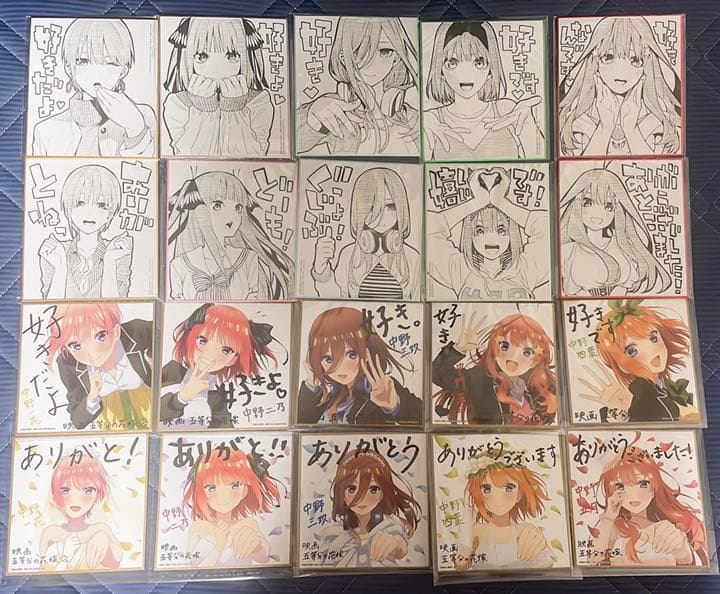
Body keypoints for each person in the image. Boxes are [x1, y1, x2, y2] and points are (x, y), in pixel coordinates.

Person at [559, 16, 681, 156]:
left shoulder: (660, 122)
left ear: (647, 62)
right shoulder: (577, 121)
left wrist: (631, 130)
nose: (621, 70)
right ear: (594, 59)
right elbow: (577, 168)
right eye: (608, 57)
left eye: (635, 60)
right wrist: (604, 129)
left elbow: (657, 166)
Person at [32, 19, 156, 157]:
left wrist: (136, 129)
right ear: (69, 68)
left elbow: (147, 168)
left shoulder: (144, 117)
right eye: (84, 62)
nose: (96, 73)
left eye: (109, 63)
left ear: (124, 70)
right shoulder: (46, 130)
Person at [297, 17, 419, 156]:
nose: (371, 63)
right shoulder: (338, 114)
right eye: (358, 51)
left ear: (396, 58)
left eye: (384, 52)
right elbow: (287, 142)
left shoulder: (413, 118)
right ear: (343, 57)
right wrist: (310, 117)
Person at [424, 21, 543, 160]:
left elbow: (541, 162)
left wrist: (529, 124)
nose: (466, 74)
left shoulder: (506, 110)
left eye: (478, 63)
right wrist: (421, 127)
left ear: (491, 69)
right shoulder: (432, 120)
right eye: (453, 63)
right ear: (440, 71)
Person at [427, 166, 549, 300]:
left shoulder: (525, 268)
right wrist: (476, 203)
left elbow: (547, 228)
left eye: (502, 230)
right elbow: (429, 228)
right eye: (479, 230)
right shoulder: (460, 268)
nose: (491, 238)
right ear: (470, 235)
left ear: (512, 234)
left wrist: (502, 203)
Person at [168, 170, 293, 300]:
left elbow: (254, 298)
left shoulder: (248, 258)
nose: (232, 215)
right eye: (217, 206)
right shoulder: (179, 264)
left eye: (238, 208)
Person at [163, 17, 274, 156]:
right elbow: (186, 155)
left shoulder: (258, 101)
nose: (217, 69)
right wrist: (204, 111)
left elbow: (255, 156)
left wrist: (233, 111)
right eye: (202, 57)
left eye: (232, 56)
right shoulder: (178, 102)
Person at [298, 306, 422, 425]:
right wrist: (312, 386)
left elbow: (422, 417)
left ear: (367, 352)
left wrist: (394, 406)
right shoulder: (333, 393)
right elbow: (301, 423)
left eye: (352, 355)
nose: (341, 367)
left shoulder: (381, 387)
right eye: (328, 359)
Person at [160, 303, 276, 428]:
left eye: (226, 350)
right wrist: (182, 397)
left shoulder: (217, 397)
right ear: (190, 338)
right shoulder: (171, 371)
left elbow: (224, 430)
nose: (210, 354)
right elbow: (149, 413)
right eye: (203, 341)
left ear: (233, 359)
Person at [580, 299, 697, 423]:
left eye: (653, 338)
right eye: (632, 351)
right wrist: (620, 414)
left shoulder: (666, 385)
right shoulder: (637, 392)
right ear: (620, 364)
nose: (651, 351)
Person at [311, 167, 421, 299]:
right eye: (372, 208)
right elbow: (337, 302)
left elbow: (418, 303)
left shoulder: (412, 257)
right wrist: (321, 269)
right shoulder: (349, 254)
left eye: (390, 207)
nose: (381, 217)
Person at [560, 168, 671, 296]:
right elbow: (569, 290)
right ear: (577, 203)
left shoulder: (623, 248)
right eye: (588, 202)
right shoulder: (568, 251)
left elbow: (627, 285)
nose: (597, 213)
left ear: (617, 209)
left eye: (608, 206)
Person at [433, 311, 557, 425]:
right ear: (494, 349)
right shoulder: (477, 379)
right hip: (486, 440)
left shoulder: (537, 387)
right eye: (505, 346)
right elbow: (436, 373)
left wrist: (549, 412)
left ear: (535, 362)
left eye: (527, 352)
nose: (513, 357)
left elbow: (539, 425)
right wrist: (459, 348)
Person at [590, 446, 707, 566]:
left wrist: (681, 549)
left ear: (654, 487)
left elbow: (691, 564)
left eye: (643, 484)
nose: (633, 495)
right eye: (620, 486)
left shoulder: (673, 525)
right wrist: (608, 517)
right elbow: (593, 559)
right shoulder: (614, 528)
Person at [47, 302, 152, 431]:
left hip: (151, 407)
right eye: (76, 345)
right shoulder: (67, 363)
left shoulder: (136, 331)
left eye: (101, 336)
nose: (92, 351)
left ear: (116, 331)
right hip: (110, 422)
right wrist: (92, 396)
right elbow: (77, 420)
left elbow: (164, 332)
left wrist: (153, 361)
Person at [39, 164, 132, 299]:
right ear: (68, 210)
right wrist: (60, 268)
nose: (90, 213)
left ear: (110, 214)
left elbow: (118, 309)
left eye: (101, 205)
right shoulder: (55, 251)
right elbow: (49, 309)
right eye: (80, 203)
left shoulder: (117, 252)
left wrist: (110, 263)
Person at [318, 448, 421, 567]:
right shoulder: (334, 532)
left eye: (373, 489)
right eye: (352, 489)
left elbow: (400, 547)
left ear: (383, 493)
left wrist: (394, 544)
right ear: (341, 492)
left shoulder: (390, 525)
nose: (362, 498)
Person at [182, 447, 281, 567]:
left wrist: (256, 546)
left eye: (235, 486)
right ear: (201, 493)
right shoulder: (199, 527)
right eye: (211, 488)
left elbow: (264, 558)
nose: (224, 497)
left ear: (245, 491)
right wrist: (218, 546)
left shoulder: (247, 524)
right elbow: (186, 566)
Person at [455, 451, 552, 569]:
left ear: (519, 494)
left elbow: (546, 567)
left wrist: (541, 544)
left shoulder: (525, 532)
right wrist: (467, 514)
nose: (497, 499)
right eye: (486, 489)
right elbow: (460, 567)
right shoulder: (477, 531)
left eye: (509, 488)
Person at [39, 456, 123, 571]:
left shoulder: (100, 529)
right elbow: (43, 573)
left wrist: (104, 538)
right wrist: (66, 554)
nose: (76, 500)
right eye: (65, 491)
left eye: (88, 491)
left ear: (98, 496)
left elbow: (117, 560)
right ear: (55, 497)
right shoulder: (51, 533)